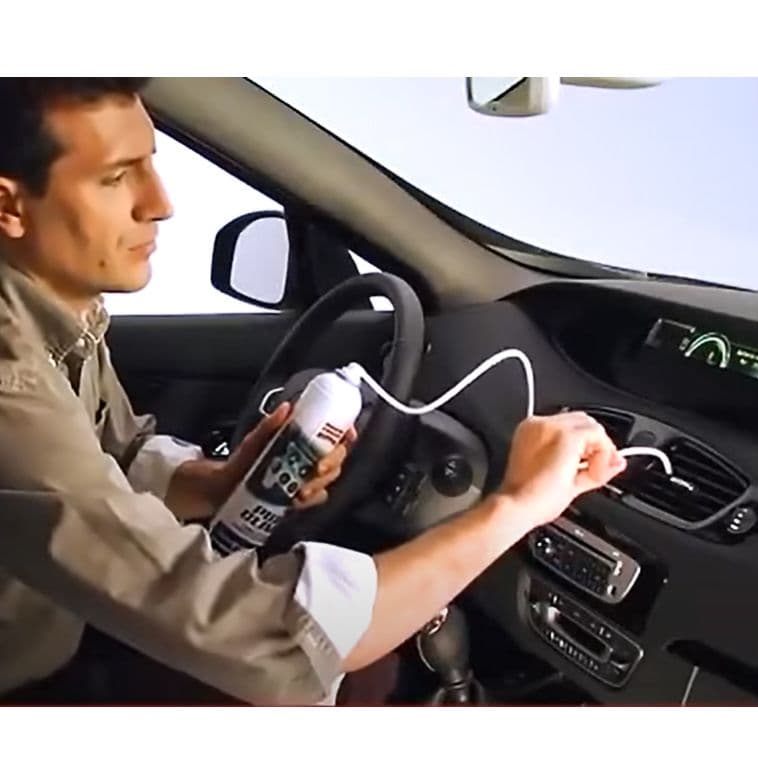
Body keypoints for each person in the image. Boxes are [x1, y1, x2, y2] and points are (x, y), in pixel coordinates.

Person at [0, 78, 626, 706]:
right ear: (9, 207)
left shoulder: (56, 306)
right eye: (116, 178)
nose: (160, 203)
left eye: (150, 164)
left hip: (56, 628)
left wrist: (217, 482)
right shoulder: (11, 376)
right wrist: (517, 505)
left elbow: (115, 456)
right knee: (355, 679)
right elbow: (255, 633)